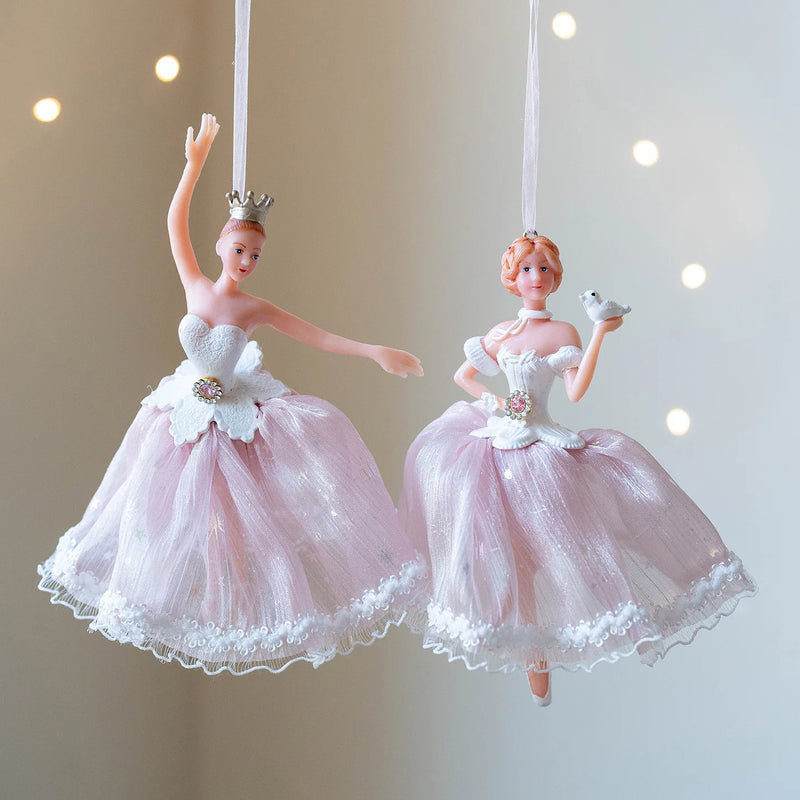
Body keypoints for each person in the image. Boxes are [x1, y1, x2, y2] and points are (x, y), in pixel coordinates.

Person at [38, 114, 427, 674]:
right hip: (184, 409)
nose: (245, 263)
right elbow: (173, 224)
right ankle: (184, 606)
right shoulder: (196, 284)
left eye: (254, 257)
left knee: (244, 512)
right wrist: (193, 168)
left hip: (236, 412)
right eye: (240, 250)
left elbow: (315, 335)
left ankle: (236, 614)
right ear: (223, 245)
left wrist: (373, 351)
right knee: (167, 509)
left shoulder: (253, 309)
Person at [399, 234, 756, 705]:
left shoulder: (563, 332)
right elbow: (464, 376)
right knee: (496, 542)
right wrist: (496, 402)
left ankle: (545, 642)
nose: (536, 277)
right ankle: (519, 639)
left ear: (555, 276)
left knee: (559, 544)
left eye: (545, 269)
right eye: (527, 269)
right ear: (512, 276)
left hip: (544, 442)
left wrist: (598, 337)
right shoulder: (503, 332)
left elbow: (575, 392)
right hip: (502, 442)